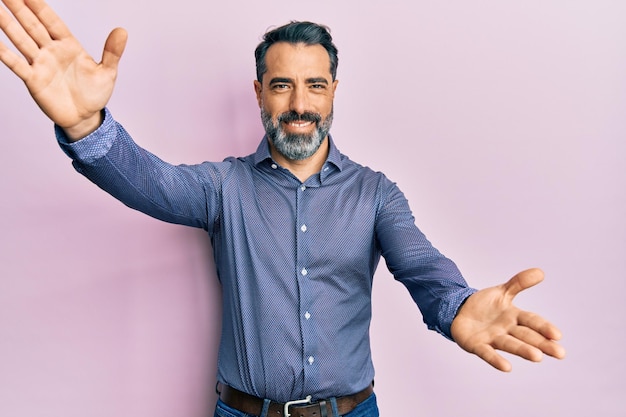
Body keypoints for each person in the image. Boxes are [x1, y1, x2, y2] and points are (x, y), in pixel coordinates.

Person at [0, 1, 566, 416]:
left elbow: (421, 267)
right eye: (282, 86)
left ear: (334, 92)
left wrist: (458, 304)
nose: (299, 105)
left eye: (315, 86)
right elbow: (152, 183)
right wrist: (84, 123)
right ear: (258, 92)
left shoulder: (375, 193)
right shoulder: (224, 187)